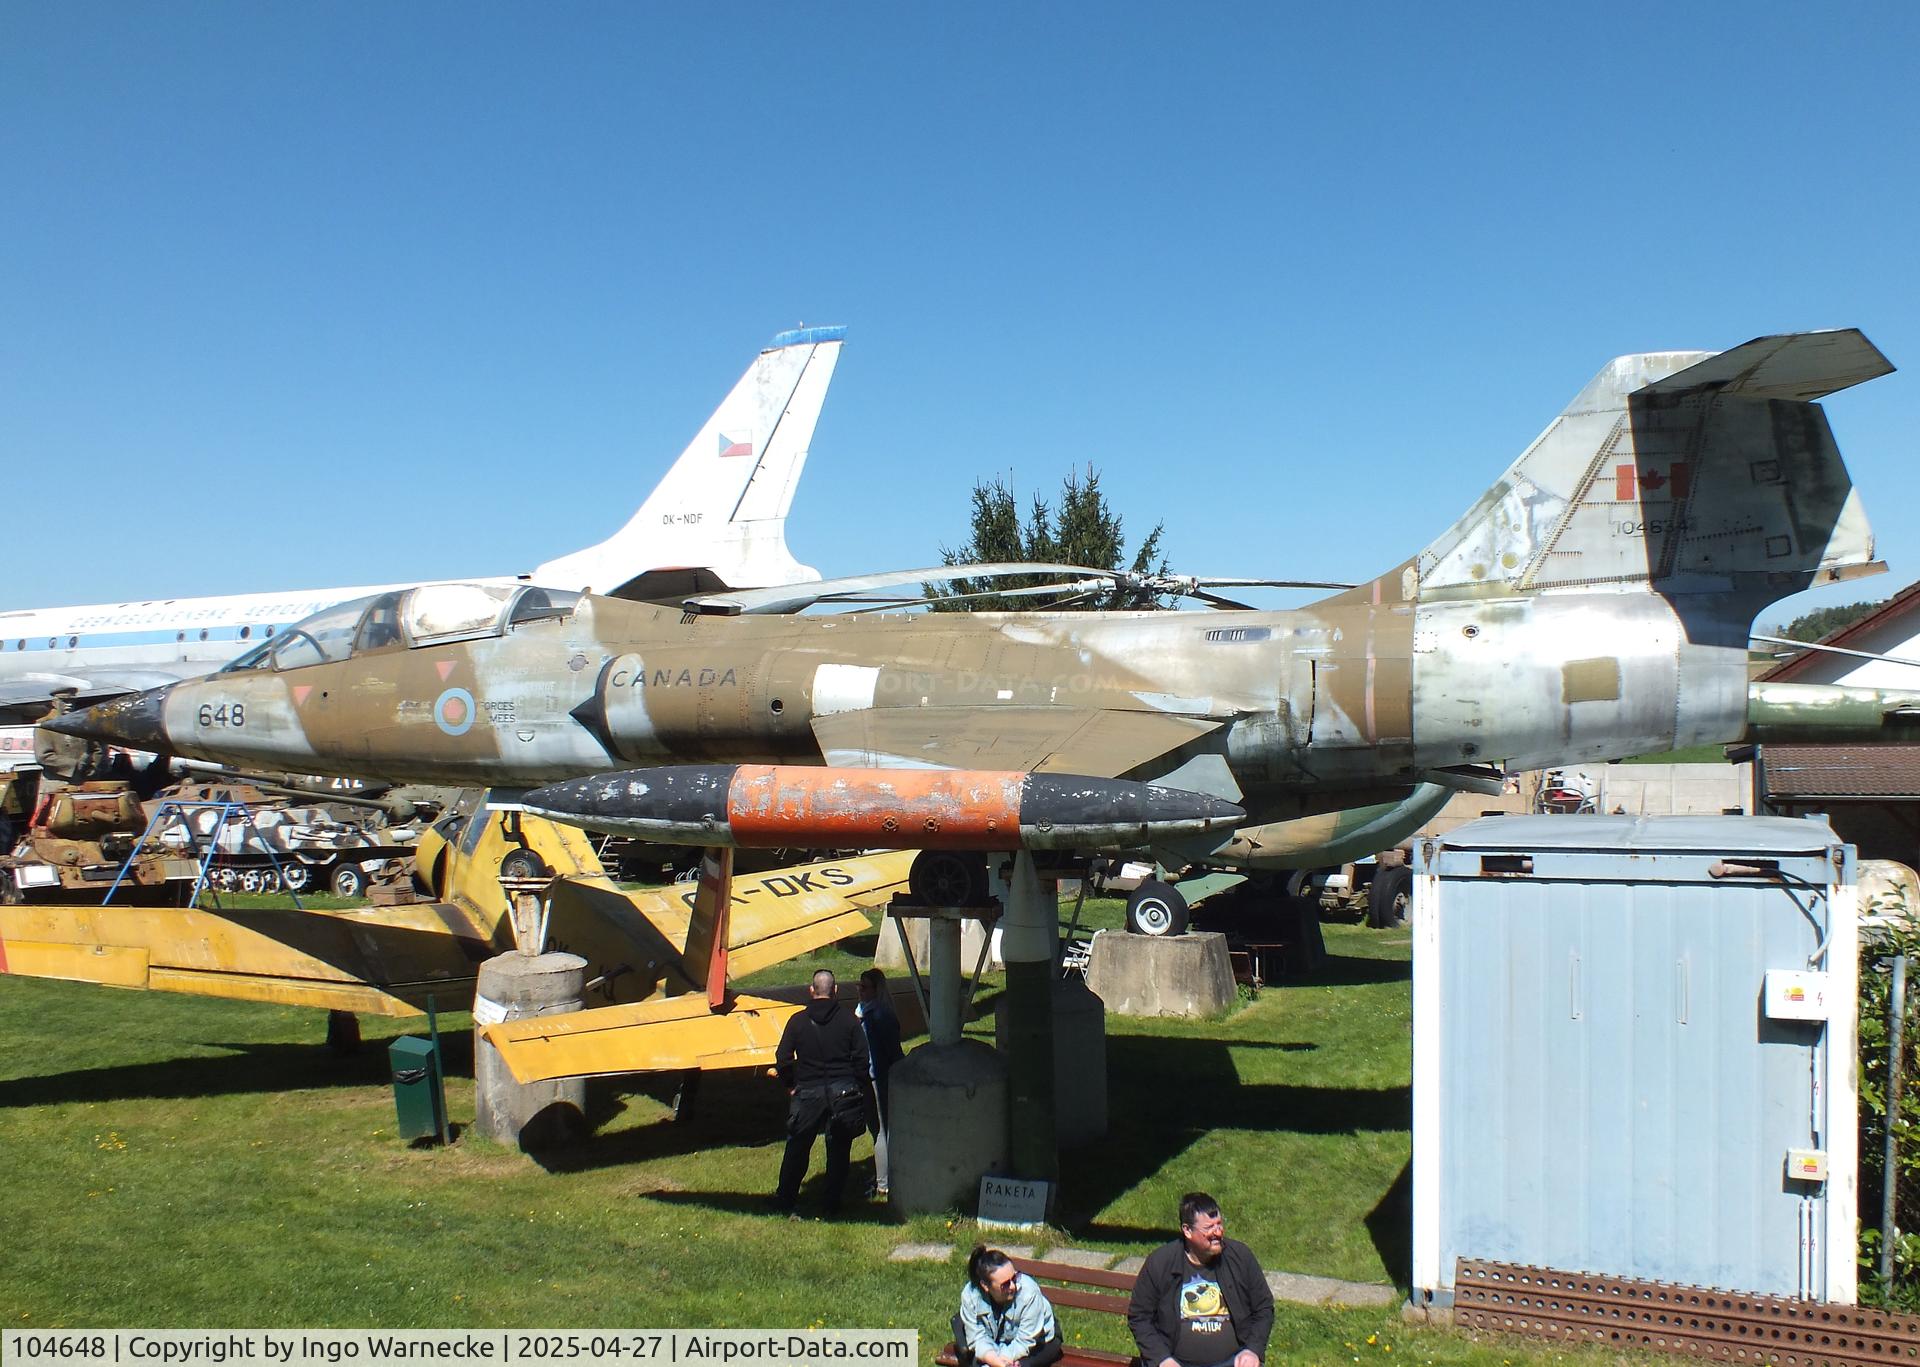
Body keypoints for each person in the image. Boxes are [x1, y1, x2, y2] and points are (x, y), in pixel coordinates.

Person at [1127, 1192, 1273, 1367]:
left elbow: (1264, 1308)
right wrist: (1161, 1359)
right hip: (1176, 1362)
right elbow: (1139, 1317)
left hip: (1233, 1362)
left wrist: (1252, 1350)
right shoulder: (1160, 1262)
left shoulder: (1240, 1257)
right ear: (1187, 1230)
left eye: (1219, 1224)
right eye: (1209, 1227)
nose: (1218, 1232)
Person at [771, 968, 869, 1215]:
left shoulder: (798, 1021)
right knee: (838, 1151)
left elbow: (782, 1058)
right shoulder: (850, 1021)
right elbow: (861, 1058)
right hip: (843, 1093)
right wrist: (856, 1085)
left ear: (811, 991)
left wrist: (790, 1085)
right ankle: (832, 1203)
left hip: (807, 1091)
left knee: (797, 1148)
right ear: (835, 991)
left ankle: (785, 1199)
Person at [954, 1246, 1063, 1367]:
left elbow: (1024, 1341)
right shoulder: (970, 1296)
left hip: (1039, 1342)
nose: (1012, 1286)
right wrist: (993, 1360)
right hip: (997, 1344)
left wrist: (1001, 1362)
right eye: (1005, 1284)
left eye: (1014, 1278)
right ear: (985, 1285)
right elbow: (977, 1338)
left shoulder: (1029, 1293)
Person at [856, 966, 904, 1198]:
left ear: (876, 990)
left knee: (882, 1132)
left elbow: (891, 1051)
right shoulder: (866, 1012)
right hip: (870, 1077)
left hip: (878, 1078)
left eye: (864, 987)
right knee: (878, 1130)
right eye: (859, 986)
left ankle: (884, 1182)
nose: (859, 991)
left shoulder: (878, 1016)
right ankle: (883, 1176)